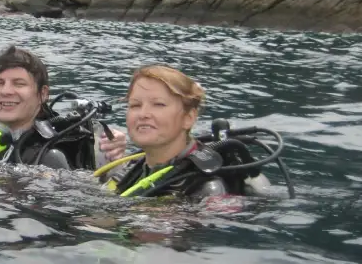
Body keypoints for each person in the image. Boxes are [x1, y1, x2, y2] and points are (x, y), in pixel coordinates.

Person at [97, 64, 279, 199]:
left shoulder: (207, 189)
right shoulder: (136, 167)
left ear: (189, 118)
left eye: (159, 104)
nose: (143, 114)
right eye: (135, 105)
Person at [0, 45, 126, 170]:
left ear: (43, 94)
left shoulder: (50, 157)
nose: (6, 91)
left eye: (19, 83)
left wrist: (109, 140)